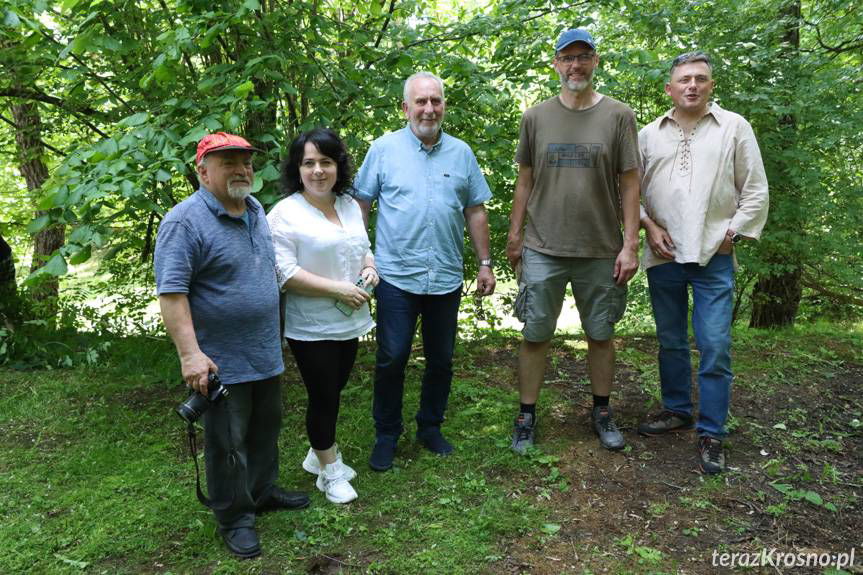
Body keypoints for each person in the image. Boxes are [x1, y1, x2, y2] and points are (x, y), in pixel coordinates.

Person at [154, 132, 309, 559]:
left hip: (264, 351)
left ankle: (261, 492)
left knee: (265, 429)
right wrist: (190, 354)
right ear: (202, 172)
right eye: (228, 163)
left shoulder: (255, 208)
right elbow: (172, 294)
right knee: (226, 444)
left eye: (246, 162)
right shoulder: (184, 222)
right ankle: (234, 517)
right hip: (220, 362)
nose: (242, 169)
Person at [353, 71, 496, 471]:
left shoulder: (462, 153)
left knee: (441, 359)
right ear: (405, 108)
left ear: (444, 106)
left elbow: (475, 209)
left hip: (446, 277)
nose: (429, 109)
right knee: (392, 357)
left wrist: (485, 263)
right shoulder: (382, 151)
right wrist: (360, 256)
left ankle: (430, 428)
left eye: (435, 101)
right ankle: (386, 434)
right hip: (396, 276)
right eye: (421, 101)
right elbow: (360, 205)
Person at [507, 29, 640, 454]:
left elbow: (631, 183)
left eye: (583, 57)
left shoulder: (619, 116)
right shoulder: (536, 117)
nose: (575, 65)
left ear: (595, 61)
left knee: (600, 334)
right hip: (543, 246)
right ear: (556, 65)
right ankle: (526, 415)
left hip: (600, 248)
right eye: (567, 58)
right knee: (535, 334)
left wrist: (630, 245)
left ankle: (602, 411)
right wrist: (514, 236)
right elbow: (524, 180)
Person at [636, 52, 769, 474]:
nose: (692, 85)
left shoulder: (734, 128)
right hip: (664, 255)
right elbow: (630, 193)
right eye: (684, 80)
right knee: (671, 341)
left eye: (700, 79)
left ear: (711, 85)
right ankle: (676, 409)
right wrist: (648, 227)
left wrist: (733, 232)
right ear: (669, 88)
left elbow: (756, 189)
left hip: (714, 255)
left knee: (714, 346)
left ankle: (712, 431)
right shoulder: (648, 135)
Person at [267, 128, 377, 504]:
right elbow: (285, 273)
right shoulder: (284, 214)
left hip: (351, 319)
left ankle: (317, 455)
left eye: (326, 162)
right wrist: (338, 289)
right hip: (311, 325)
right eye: (309, 163)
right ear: (297, 169)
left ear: (337, 166)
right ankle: (330, 472)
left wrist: (370, 266)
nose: (318, 171)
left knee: (335, 389)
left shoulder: (347, 204)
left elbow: (361, 247)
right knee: (323, 396)